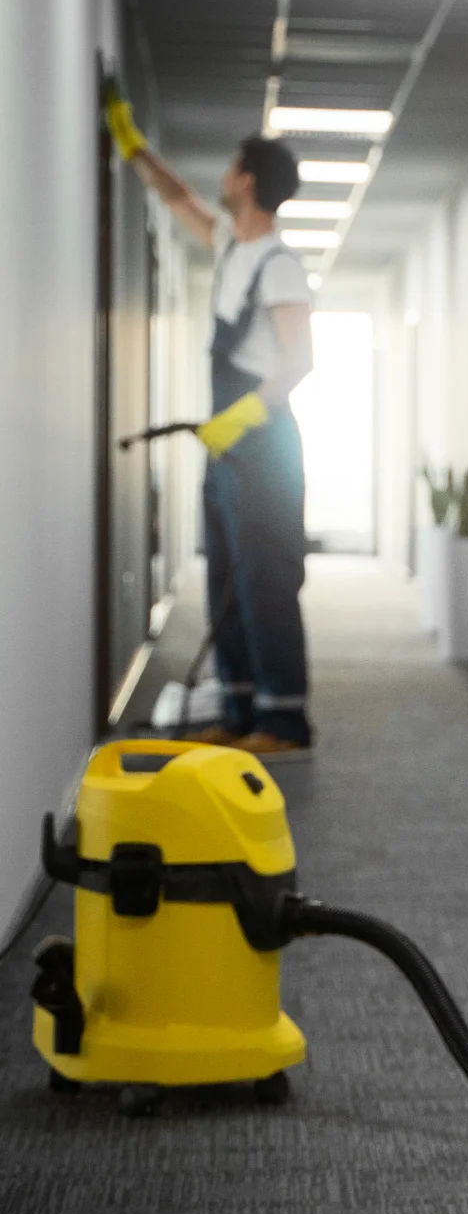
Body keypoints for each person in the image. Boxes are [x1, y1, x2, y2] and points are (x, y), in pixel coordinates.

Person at [104, 94, 315, 757]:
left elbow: (301, 358)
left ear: (247, 180)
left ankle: (284, 721)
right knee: (225, 575)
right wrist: (132, 144)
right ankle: (240, 707)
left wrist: (246, 415)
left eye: (231, 167)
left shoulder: (279, 263)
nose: (223, 176)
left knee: (265, 576)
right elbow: (178, 199)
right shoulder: (232, 247)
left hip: (263, 440)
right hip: (228, 445)